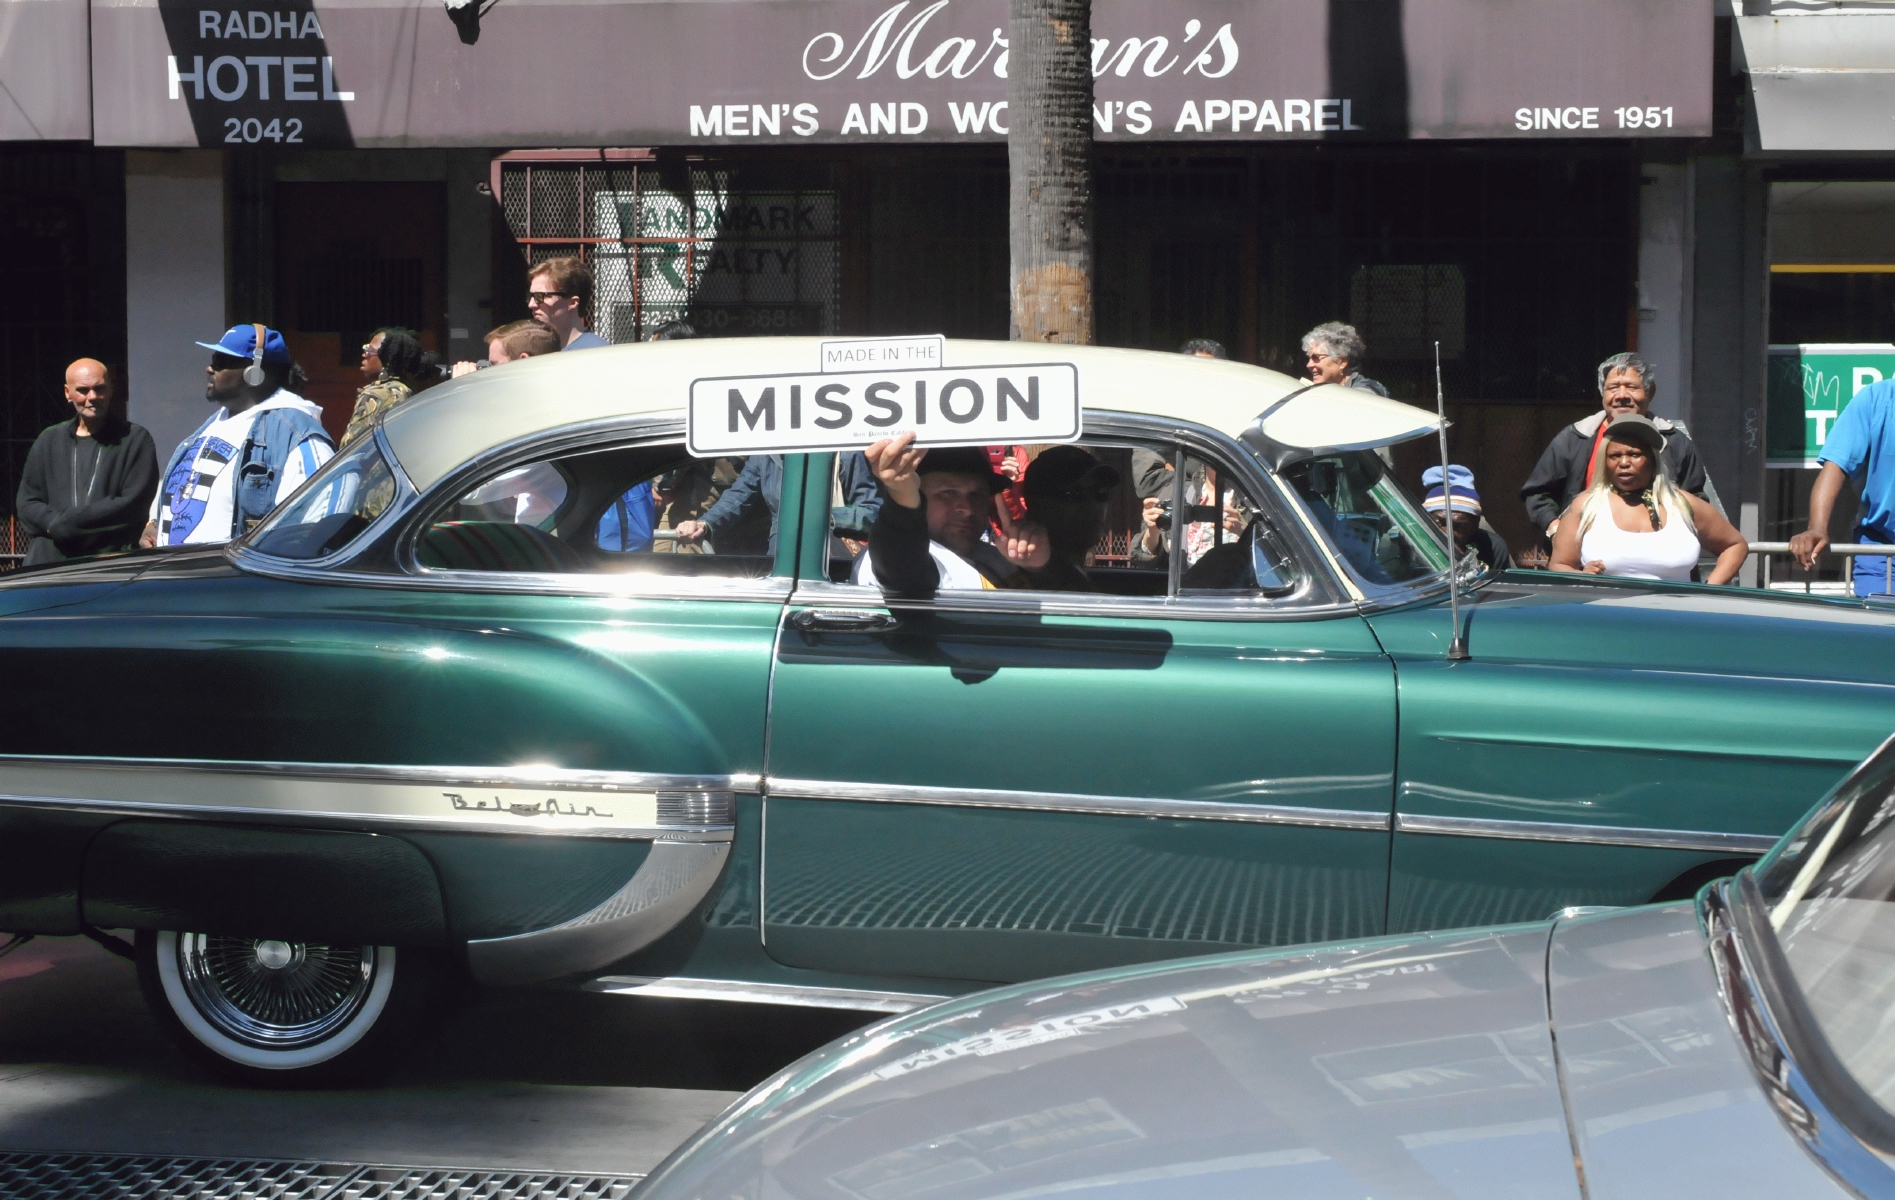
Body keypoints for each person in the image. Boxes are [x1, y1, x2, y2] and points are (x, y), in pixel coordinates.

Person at [144, 325, 333, 548]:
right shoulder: (216, 422)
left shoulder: (296, 435)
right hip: (181, 575)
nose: (209, 368)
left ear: (255, 373)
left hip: (229, 579)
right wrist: (155, 524)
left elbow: (318, 519)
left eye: (221, 361)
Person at [855, 432, 1084, 595]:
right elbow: (900, 564)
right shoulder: (906, 556)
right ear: (917, 495)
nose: (966, 507)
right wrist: (902, 499)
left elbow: (1083, 606)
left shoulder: (996, 555)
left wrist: (1042, 567)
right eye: (947, 493)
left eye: (977, 494)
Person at [1522, 353, 1712, 541]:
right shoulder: (1575, 438)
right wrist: (1557, 530)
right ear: (1602, 393)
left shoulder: (1674, 442)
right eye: (1612, 388)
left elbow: (1696, 501)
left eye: (1631, 387)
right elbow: (1537, 493)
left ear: (1651, 391)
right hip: (1584, 559)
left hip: (1657, 555)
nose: (1621, 396)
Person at [1549, 414, 1745, 584]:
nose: (1624, 463)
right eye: (1614, 456)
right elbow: (1559, 565)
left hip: (1676, 620)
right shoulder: (1586, 505)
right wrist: (1582, 576)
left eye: (1634, 455)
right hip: (1606, 619)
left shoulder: (1683, 504)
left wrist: (1709, 590)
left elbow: (1735, 545)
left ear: (1652, 460)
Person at [15, 359, 159, 566]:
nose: (92, 397)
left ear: (110, 389)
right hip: (48, 566)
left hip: (107, 566)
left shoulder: (134, 439)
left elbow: (132, 503)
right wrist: (54, 524)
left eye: (99, 389)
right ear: (67, 392)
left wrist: (70, 524)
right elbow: (27, 503)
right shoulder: (49, 440)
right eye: (83, 390)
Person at [1790, 377, 1895, 596]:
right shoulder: (1875, 399)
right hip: (1881, 550)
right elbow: (1836, 466)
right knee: (1880, 625)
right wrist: (1817, 526)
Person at [676, 452, 881, 556]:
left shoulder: (845, 453)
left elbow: (873, 513)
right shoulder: (766, 455)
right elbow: (739, 494)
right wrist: (703, 524)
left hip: (834, 561)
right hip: (782, 559)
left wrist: (827, 517)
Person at [340, 329, 428, 448]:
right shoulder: (406, 390)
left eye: (369, 351)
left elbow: (350, 447)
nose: (364, 354)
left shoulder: (376, 394)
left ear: (387, 359)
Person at [1422, 465, 1511, 570]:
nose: (1448, 533)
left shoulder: (1492, 547)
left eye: (1459, 526)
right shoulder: (1415, 545)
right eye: (1439, 523)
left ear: (1476, 523)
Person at [527, 257, 609, 350]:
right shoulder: (532, 350)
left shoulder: (596, 352)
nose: (531, 304)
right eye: (531, 296)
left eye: (541, 296)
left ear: (573, 303)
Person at [1301, 323, 1387, 396]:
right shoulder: (1325, 391)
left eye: (1316, 358)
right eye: (1309, 358)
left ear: (1341, 362)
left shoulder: (1366, 392)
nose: (1309, 365)